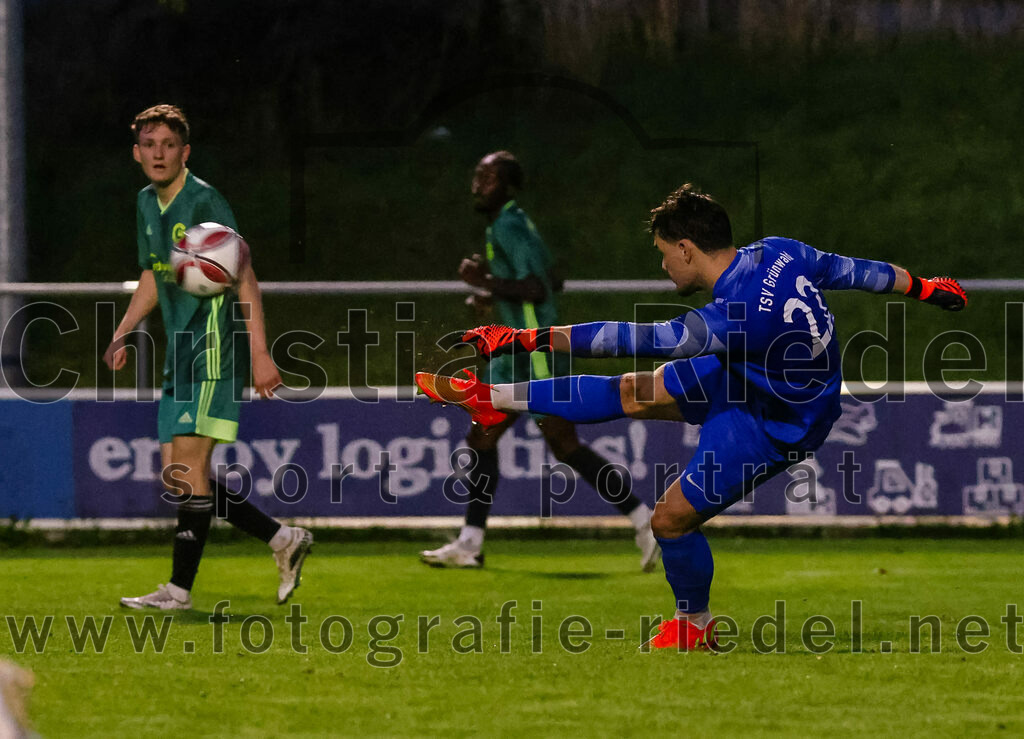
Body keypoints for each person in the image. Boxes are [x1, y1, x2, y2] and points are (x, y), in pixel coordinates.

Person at [415, 183, 967, 648]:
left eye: (662, 252)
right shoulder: (780, 251)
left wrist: (525, 334)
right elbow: (858, 271)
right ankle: (493, 399)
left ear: (686, 248)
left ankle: (694, 625)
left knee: (669, 520)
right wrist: (924, 287)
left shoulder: (734, 314)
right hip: (756, 377)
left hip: (776, 423)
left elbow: (639, 337)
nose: (661, 264)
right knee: (633, 392)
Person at [103, 104, 312, 610]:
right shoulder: (145, 204)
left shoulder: (204, 200)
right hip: (181, 349)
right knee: (176, 473)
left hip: (214, 348)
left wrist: (260, 354)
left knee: (189, 470)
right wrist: (124, 330)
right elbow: (153, 276)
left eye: (168, 144)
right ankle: (283, 539)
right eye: (149, 144)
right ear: (136, 153)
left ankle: (178, 591)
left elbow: (244, 275)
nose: (159, 153)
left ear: (185, 152)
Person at [419, 151, 659, 571]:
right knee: (491, 440)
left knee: (554, 444)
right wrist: (492, 294)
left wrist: (485, 281)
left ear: (508, 186)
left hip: (534, 360)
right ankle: (470, 543)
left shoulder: (509, 225)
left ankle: (646, 521)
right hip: (517, 357)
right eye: (476, 176)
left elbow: (533, 288)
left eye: (488, 177)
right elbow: (553, 279)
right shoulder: (513, 222)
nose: (478, 184)